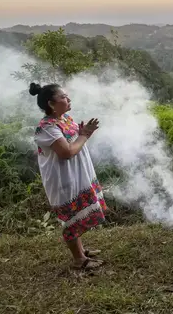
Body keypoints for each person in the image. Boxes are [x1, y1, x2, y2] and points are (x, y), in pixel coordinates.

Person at [29, 82, 107, 270]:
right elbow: (66, 152)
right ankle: (79, 259)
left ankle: (81, 251)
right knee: (71, 217)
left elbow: (73, 141)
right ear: (51, 104)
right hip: (62, 177)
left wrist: (81, 133)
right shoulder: (46, 127)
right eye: (63, 97)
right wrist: (85, 136)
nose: (68, 99)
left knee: (77, 213)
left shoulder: (64, 118)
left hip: (76, 173)